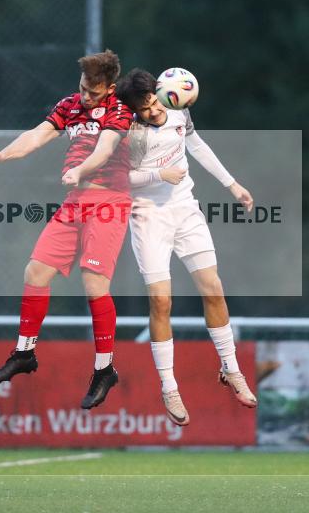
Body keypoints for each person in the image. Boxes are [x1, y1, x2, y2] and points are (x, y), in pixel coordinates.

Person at [0, 50, 133, 409]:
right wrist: (3, 154)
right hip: (75, 201)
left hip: (109, 202)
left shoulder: (119, 109)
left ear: (110, 88)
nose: (85, 97)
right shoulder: (69, 105)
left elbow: (106, 148)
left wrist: (80, 170)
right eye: (82, 88)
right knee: (35, 270)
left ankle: (104, 369)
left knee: (93, 282)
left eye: (93, 93)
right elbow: (36, 136)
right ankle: (24, 352)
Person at [114, 68, 257, 426]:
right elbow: (116, 178)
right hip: (148, 216)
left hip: (186, 210)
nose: (154, 111)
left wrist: (233, 185)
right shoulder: (128, 133)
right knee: (162, 302)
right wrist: (157, 175)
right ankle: (169, 387)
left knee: (214, 289)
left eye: (154, 103)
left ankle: (231, 368)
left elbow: (196, 144)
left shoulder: (178, 109)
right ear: (134, 111)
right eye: (144, 110)